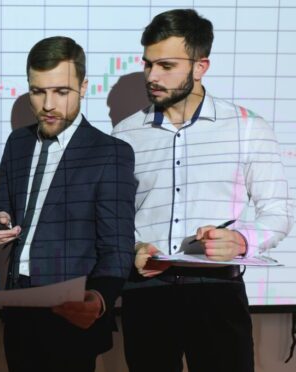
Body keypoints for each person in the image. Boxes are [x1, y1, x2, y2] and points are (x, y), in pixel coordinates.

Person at [112, 9, 294, 372]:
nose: (152, 76)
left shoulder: (248, 128)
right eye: (148, 65)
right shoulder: (125, 133)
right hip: (146, 293)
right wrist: (132, 245)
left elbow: (278, 213)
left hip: (217, 294)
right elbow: (116, 215)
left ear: (200, 66)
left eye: (166, 66)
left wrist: (241, 240)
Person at [0, 36, 137, 372]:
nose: (48, 104)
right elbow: (2, 203)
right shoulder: (18, 142)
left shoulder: (110, 153)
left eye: (61, 91)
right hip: (18, 309)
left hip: (71, 313)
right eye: (38, 91)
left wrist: (98, 300)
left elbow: (118, 246)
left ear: (84, 87)